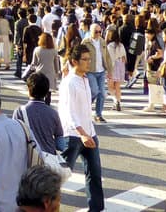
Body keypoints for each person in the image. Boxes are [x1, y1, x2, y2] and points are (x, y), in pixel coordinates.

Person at [58, 44, 104, 212]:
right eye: (84, 60)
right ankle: (47, 205)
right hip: (73, 135)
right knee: (61, 175)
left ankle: (96, 209)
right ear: (74, 61)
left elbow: (85, 110)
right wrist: (82, 133)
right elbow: (68, 112)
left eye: (89, 59)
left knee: (95, 175)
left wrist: (89, 131)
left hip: (89, 132)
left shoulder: (85, 79)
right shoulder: (69, 82)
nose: (88, 62)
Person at [13, 73, 64, 157]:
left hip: (28, 158)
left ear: (29, 90)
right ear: (47, 92)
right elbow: (60, 145)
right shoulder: (53, 113)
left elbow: (15, 138)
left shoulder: (19, 112)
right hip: (48, 159)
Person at [79, 24, 111, 123]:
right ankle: (85, 107)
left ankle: (98, 114)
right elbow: (80, 55)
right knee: (94, 91)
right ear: (91, 32)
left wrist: (110, 70)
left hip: (101, 70)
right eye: (96, 32)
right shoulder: (86, 41)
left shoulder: (102, 41)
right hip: (90, 70)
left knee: (102, 94)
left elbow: (107, 56)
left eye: (99, 32)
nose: (98, 34)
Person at [27, 33, 60, 105]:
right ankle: (47, 105)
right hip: (50, 73)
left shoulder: (37, 49)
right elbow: (56, 64)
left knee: (39, 90)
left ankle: (39, 104)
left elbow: (34, 63)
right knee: (48, 93)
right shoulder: (54, 51)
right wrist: (57, 73)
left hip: (39, 72)